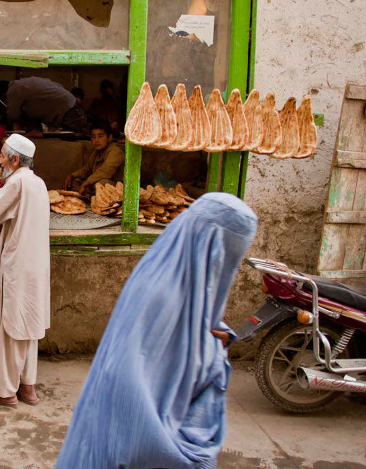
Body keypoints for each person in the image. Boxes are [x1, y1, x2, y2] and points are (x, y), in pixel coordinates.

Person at [55, 193, 257, 468]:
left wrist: (213, 344)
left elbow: (194, 344)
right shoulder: (160, 296)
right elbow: (127, 402)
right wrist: (189, 457)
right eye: (228, 254)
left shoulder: (189, 286)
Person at [0, 134, 51, 406]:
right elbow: (18, 217)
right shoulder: (38, 183)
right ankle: (28, 387)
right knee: (29, 326)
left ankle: (5, 392)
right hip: (36, 264)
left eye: (2, 155)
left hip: (19, 264)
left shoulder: (17, 181)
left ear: (15, 159)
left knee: (12, 329)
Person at [0, 76, 89, 136]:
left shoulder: (13, 90)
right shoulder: (22, 85)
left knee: (80, 139)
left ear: (4, 94)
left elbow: (12, 115)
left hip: (70, 110)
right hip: (68, 105)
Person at [64, 120, 124, 197]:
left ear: (109, 138)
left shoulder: (116, 152)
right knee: (75, 181)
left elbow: (105, 171)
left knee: (102, 183)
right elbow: (87, 169)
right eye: (93, 137)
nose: (96, 140)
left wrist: (85, 184)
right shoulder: (97, 152)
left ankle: (88, 195)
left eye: (100, 136)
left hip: (115, 187)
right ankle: (87, 196)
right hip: (95, 183)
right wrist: (72, 175)